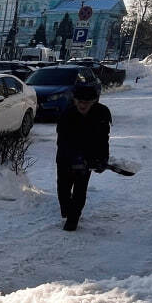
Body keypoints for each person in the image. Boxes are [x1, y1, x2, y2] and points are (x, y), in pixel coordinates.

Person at [55, 82, 111, 231]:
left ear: (93, 101)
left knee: (80, 189)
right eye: (79, 101)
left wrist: (102, 158)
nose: (82, 105)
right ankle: (67, 209)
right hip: (66, 158)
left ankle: (73, 219)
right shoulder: (67, 114)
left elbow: (103, 139)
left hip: (88, 158)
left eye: (86, 102)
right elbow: (62, 141)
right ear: (74, 100)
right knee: (63, 189)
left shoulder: (102, 113)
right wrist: (74, 157)